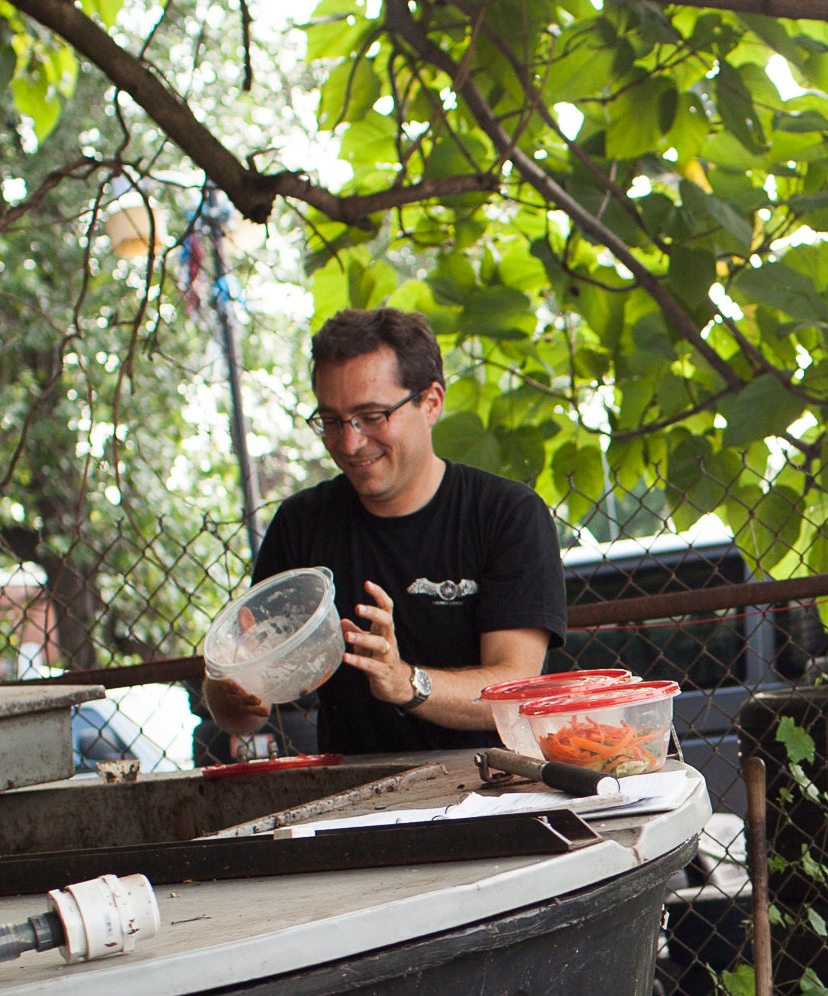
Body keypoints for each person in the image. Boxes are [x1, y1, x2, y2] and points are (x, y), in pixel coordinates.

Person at [203, 307, 567, 757]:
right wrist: (229, 692)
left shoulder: (506, 514)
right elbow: (247, 707)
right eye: (332, 421)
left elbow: (516, 690)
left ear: (431, 402)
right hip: (353, 795)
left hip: (494, 787)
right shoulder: (301, 524)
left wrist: (405, 681)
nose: (351, 443)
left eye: (372, 416)